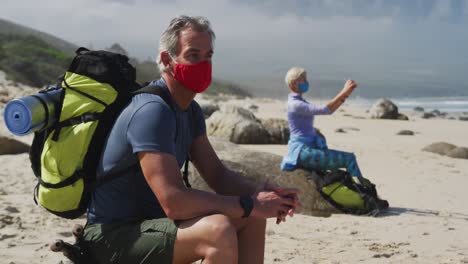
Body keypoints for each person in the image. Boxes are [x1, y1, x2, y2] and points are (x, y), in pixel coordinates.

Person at [83, 15, 301, 264]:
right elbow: (174, 202)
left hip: (152, 226)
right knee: (218, 230)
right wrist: (250, 203)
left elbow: (218, 176)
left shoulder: (190, 111)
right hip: (112, 237)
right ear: (168, 60)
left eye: (208, 56)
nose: (203, 63)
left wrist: (268, 195)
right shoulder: (152, 111)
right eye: (193, 55)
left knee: (252, 218)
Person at [281, 67, 362, 178]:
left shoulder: (299, 101)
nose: (306, 82)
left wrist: (346, 95)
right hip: (302, 151)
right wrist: (344, 91)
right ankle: (363, 192)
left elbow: (330, 110)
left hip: (307, 148)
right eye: (303, 79)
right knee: (349, 159)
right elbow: (325, 109)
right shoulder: (295, 104)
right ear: (294, 83)